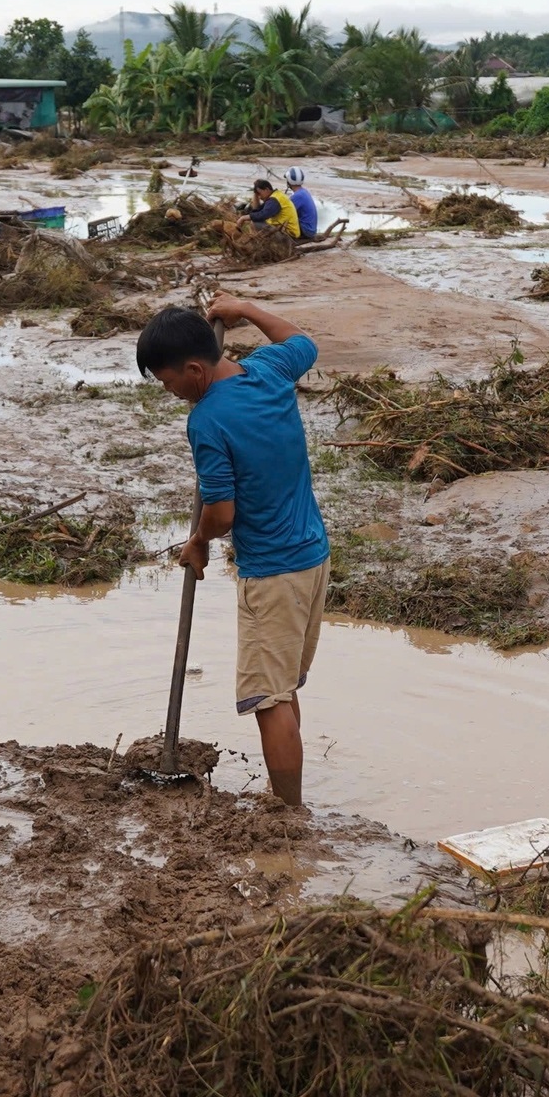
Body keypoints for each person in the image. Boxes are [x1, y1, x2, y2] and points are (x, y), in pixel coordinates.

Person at [136, 297, 329, 807]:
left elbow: (222, 515)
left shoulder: (207, 421)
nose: (168, 391)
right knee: (282, 689)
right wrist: (247, 308)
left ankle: (290, 813)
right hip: (313, 556)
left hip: (272, 573)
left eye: (167, 381)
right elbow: (301, 342)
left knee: (268, 700)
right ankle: (286, 791)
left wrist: (197, 542)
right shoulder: (268, 371)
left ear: (194, 370)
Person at [284, 167, 319, 241]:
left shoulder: (297, 196)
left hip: (306, 231)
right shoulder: (303, 192)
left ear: (289, 181)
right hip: (311, 229)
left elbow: (284, 212)